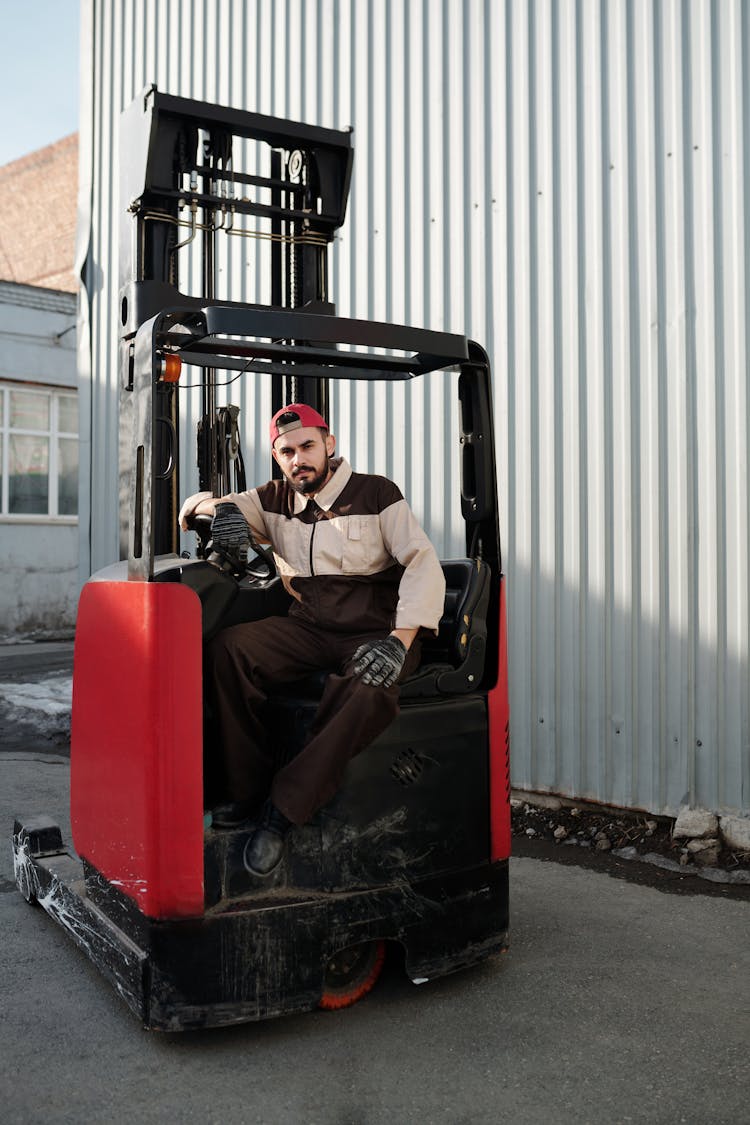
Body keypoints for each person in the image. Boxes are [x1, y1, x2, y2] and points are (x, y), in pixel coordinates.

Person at [178, 403, 446, 876]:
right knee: (228, 649)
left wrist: (400, 640)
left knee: (367, 686)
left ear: (329, 445)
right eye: (286, 452)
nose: (297, 458)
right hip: (307, 627)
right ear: (277, 457)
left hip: (376, 630)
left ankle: (282, 813)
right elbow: (200, 503)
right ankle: (245, 790)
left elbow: (422, 562)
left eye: (306, 446)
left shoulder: (376, 492)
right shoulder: (274, 498)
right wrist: (221, 511)